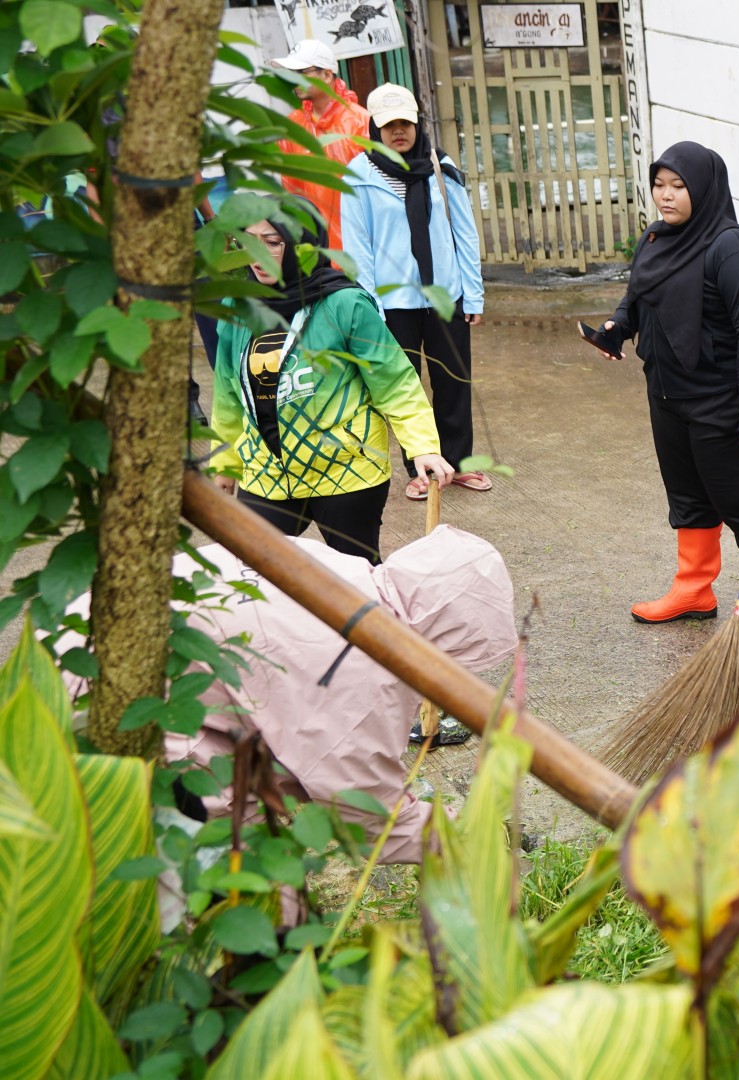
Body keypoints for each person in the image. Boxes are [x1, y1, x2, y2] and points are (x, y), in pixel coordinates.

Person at [92, 527, 512, 865]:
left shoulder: (328, 561)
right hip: (136, 723)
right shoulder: (363, 677)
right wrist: (467, 835)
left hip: (98, 638)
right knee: (235, 877)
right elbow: (367, 817)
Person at [586, 141, 739, 650]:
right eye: (659, 184)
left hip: (724, 399)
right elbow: (638, 295)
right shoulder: (656, 237)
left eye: (678, 186)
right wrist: (617, 327)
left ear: (705, 189)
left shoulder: (735, 252)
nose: (665, 196)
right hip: (668, 392)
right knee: (687, 496)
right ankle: (693, 589)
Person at [207, 198, 453, 562]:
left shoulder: (345, 303)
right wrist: (225, 463)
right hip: (266, 475)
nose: (257, 254)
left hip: (346, 472)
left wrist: (422, 446)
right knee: (256, 573)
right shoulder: (238, 308)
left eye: (272, 242)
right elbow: (229, 393)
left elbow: (395, 381)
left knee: (357, 579)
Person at [340, 83, 492, 502]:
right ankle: (421, 468)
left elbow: (465, 234)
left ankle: (458, 462)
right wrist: (369, 306)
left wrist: (473, 295)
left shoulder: (441, 167)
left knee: (453, 380)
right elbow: (358, 248)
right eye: (389, 125)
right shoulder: (359, 175)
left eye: (405, 123)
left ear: (417, 123)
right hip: (392, 304)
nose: (398, 131)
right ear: (375, 127)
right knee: (404, 387)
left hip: (445, 296)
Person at [270, 39, 370, 248]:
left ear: (326, 75)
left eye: (302, 72)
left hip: (359, 243)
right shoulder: (293, 127)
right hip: (313, 247)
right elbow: (292, 191)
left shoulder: (360, 122)